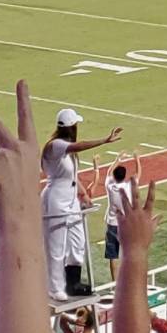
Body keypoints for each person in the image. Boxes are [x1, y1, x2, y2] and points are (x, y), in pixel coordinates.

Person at [41, 108, 122, 300]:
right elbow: (78, 147)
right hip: (56, 199)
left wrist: (84, 195)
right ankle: (54, 287)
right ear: (71, 126)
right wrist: (104, 140)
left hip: (71, 198)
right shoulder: (55, 145)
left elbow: (72, 177)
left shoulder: (65, 148)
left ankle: (73, 282)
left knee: (78, 241)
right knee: (57, 245)